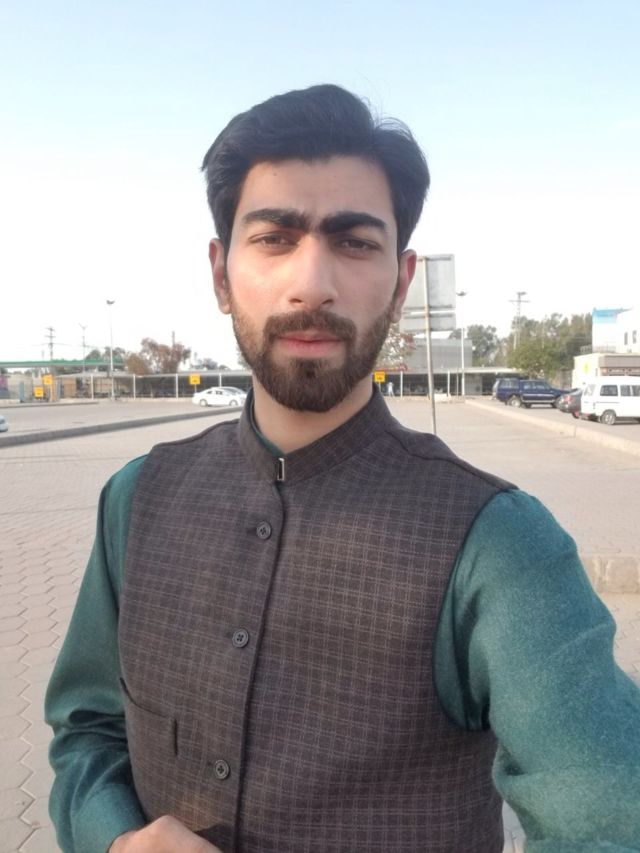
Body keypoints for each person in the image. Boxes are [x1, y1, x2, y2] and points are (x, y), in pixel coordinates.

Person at [46, 84, 640, 853]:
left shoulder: (497, 544)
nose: (313, 283)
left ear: (400, 280)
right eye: (275, 237)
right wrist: (114, 838)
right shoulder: (137, 499)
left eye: (355, 242)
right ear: (221, 274)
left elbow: (611, 820)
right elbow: (87, 727)